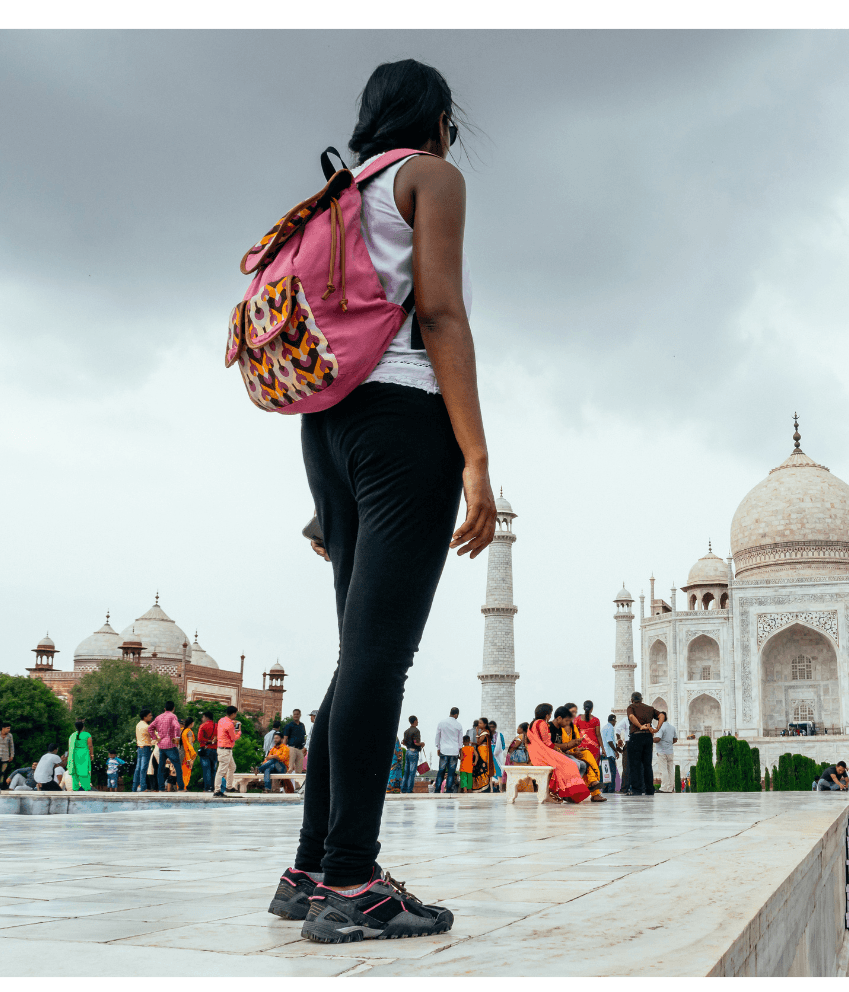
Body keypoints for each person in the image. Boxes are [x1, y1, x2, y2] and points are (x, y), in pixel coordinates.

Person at [267, 59, 492, 945]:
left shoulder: (335, 192)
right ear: (437, 119)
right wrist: (475, 457)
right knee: (378, 659)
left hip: (327, 426)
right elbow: (438, 316)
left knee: (354, 657)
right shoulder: (428, 175)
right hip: (403, 421)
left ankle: (310, 868)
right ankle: (353, 885)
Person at [527, 704, 591, 803]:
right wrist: (557, 749)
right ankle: (567, 793)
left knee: (568, 763)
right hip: (542, 755)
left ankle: (559, 793)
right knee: (570, 764)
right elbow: (548, 743)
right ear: (547, 715)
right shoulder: (542, 723)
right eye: (550, 713)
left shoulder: (532, 724)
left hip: (536, 755)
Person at [563, 704, 605, 800]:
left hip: (575, 751)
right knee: (586, 762)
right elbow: (558, 745)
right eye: (572, 712)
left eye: (575, 712)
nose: (574, 714)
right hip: (565, 753)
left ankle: (594, 785)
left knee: (587, 756)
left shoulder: (573, 726)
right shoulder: (560, 726)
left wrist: (578, 750)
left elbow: (576, 742)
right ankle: (594, 790)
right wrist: (573, 753)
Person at [625, 692, 658, 797]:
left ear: (632, 700)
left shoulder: (631, 707)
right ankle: (649, 790)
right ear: (642, 699)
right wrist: (657, 728)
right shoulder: (650, 708)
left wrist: (640, 726)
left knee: (635, 764)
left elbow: (631, 716)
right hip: (648, 737)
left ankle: (637, 790)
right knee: (647, 765)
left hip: (636, 737)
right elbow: (661, 715)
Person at [149, 702, 182, 792]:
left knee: (161, 767)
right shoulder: (173, 716)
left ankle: (161, 788)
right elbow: (177, 727)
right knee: (177, 766)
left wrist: (155, 738)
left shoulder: (158, 717)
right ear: (173, 708)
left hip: (161, 746)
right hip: (170, 744)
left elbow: (150, 728)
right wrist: (177, 737)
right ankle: (181, 787)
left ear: (164, 708)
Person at [435, 707, 464, 794]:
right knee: (451, 772)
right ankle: (449, 790)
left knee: (441, 771)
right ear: (456, 714)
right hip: (454, 751)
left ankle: (437, 790)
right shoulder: (458, 725)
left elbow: (437, 736)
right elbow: (460, 741)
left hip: (444, 750)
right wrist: (460, 751)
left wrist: (438, 748)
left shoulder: (441, 723)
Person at [214, 705, 241, 797]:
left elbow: (228, 724)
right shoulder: (229, 725)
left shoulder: (221, 720)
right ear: (233, 714)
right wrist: (239, 732)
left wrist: (234, 722)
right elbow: (234, 738)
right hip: (225, 750)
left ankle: (229, 786)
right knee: (221, 771)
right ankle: (217, 790)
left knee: (232, 767)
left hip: (224, 749)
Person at [66, 719, 94, 792]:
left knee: (75, 771)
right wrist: (92, 754)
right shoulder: (87, 734)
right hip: (83, 754)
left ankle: (75, 788)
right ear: (83, 727)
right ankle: (86, 787)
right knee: (84, 771)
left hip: (74, 754)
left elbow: (69, 747)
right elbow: (90, 746)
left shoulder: (72, 735)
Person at [654, 710, 678, 793]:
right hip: (670, 751)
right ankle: (670, 788)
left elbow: (658, 739)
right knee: (670, 770)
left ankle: (664, 788)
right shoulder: (672, 727)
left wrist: (649, 739)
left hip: (662, 752)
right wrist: (669, 743)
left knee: (663, 770)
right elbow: (675, 739)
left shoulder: (660, 727)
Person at [197, 713, 218, 793]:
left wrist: (209, 741)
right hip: (215, 750)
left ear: (206, 717)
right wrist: (213, 741)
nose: (202, 718)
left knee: (206, 770)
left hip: (205, 750)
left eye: (203, 717)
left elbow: (200, 739)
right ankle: (213, 788)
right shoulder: (217, 726)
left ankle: (207, 788)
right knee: (213, 769)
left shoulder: (203, 726)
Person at [401, 716, 423, 795]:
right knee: (412, 772)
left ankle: (403, 789)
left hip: (407, 752)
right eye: (417, 720)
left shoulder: (406, 731)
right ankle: (409, 789)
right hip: (414, 752)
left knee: (406, 772)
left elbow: (404, 742)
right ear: (414, 721)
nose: (418, 722)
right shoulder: (416, 731)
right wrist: (422, 744)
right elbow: (416, 742)